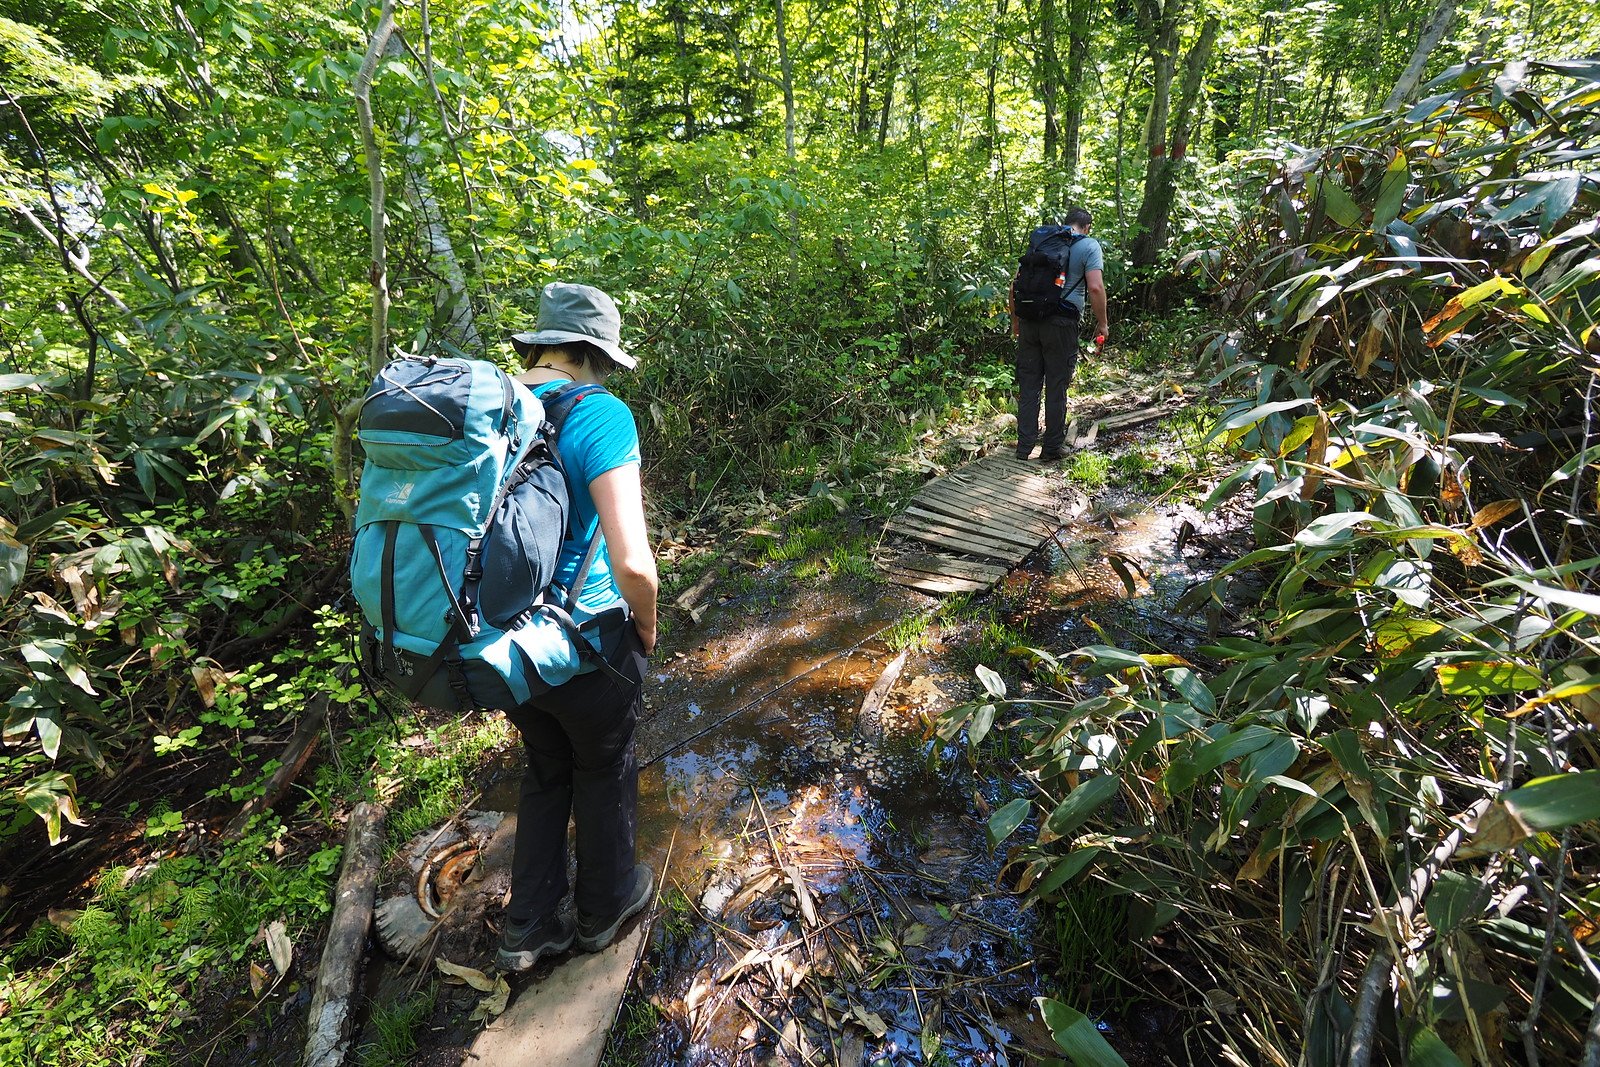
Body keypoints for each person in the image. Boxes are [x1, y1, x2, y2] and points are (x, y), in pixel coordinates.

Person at [494, 282, 659, 973]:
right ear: (597, 354)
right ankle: (606, 904)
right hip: (586, 639)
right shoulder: (601, 416)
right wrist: (646, 625)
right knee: (603, 762)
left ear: (539, 343)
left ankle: (528, 925)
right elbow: (632, 561)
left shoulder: (498, 406)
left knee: (546, 768)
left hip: (505, 645)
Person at [1012, 206, 1109, 462]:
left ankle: (1024, 448)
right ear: (1087, 226)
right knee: (1056, 385)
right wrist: (1103, 324)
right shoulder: (1089, 246)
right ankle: (1051, 449)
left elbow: (1016, 284)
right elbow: (1096, 288)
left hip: (1030, 320)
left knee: (1030, 384)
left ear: (1066, 224)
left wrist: (1016, 323)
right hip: (1061, 324)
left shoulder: (1043, 241)